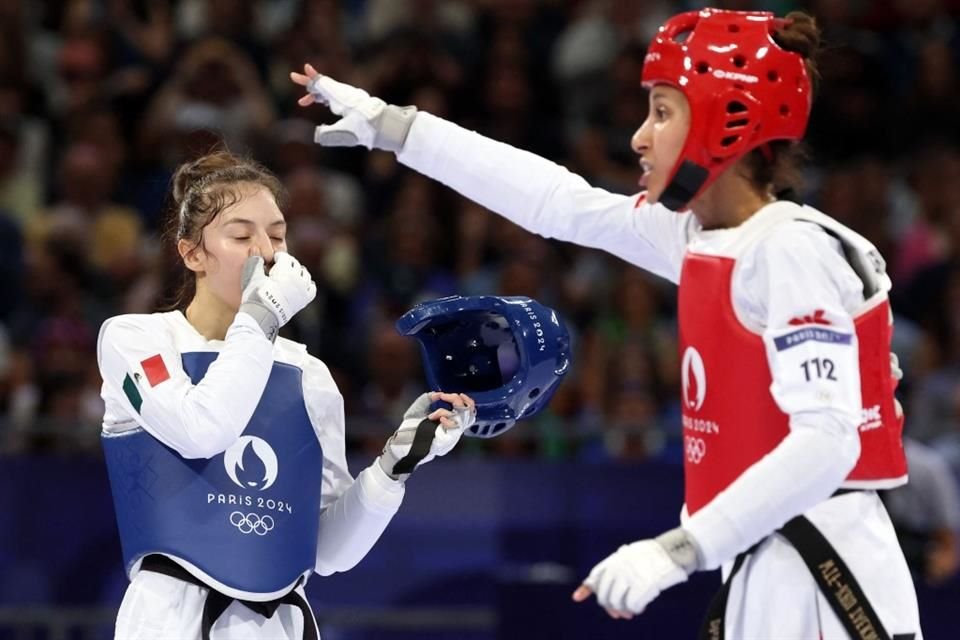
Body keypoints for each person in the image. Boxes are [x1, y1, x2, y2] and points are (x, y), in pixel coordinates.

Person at [290, 7, 922, 639]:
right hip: (765, 553)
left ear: (729, 121)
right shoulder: (703, 238)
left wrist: (678, 549)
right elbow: (559, 203)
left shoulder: (791, 251)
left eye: (663, 112)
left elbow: (829, 441)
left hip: (823, 564)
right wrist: (396, 127)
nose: (639, 137)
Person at [97, 150, 476, 640]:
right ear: (192, 254)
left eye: (276, 235)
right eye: (240, 235)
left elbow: (327, 552)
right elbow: (201, 430)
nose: (267, 252)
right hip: (171, 620)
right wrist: (261, 317)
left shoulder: (308, 374)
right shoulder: (135, 339)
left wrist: (394, 466)